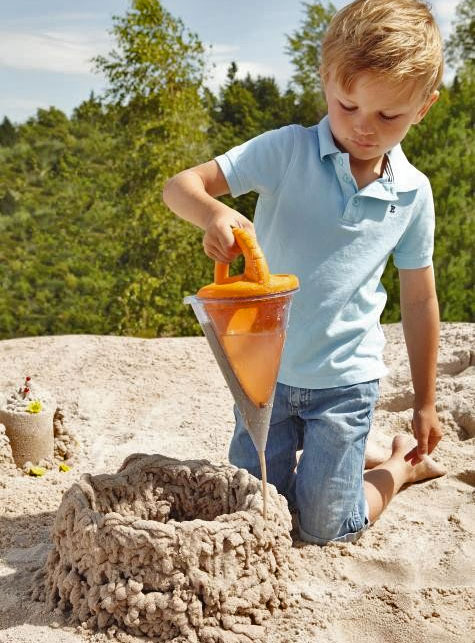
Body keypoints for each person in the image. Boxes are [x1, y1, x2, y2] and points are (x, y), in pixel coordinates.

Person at [163, 0, 446, 544]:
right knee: (252, 511)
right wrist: (214, 211)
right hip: (261, 375)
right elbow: (181, 186)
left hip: (345, 382)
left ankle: (397, 466)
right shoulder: (287, 150)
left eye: (388, 116)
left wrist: (426, 401)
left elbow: (419, 301)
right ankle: (341, 454)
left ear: (423, 108)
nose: (364, 128)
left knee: (323, 528)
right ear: (326, 82)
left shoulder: (414, 194)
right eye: (347, 105)